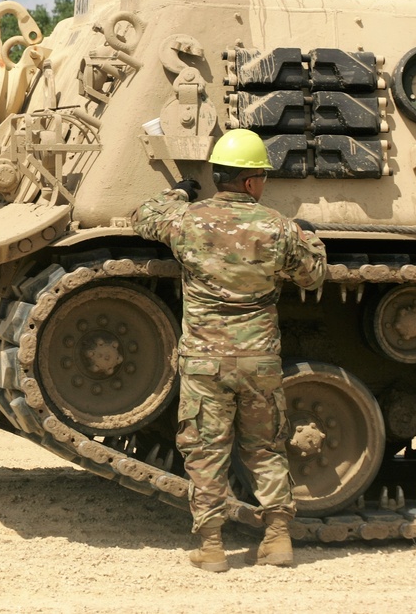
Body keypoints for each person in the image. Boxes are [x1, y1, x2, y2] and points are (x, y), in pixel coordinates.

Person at [133, 128, 326, 572]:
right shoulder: (277, 228)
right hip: (258, 360)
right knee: (266, 448)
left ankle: (213, 547)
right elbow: (313, 275)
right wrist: (307, 236)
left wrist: (179, 193)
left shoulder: (189, 221)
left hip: (204, 361)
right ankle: (278, 540)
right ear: (253, 182)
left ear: (220, 176)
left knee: (205, 450)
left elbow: (144, 215)